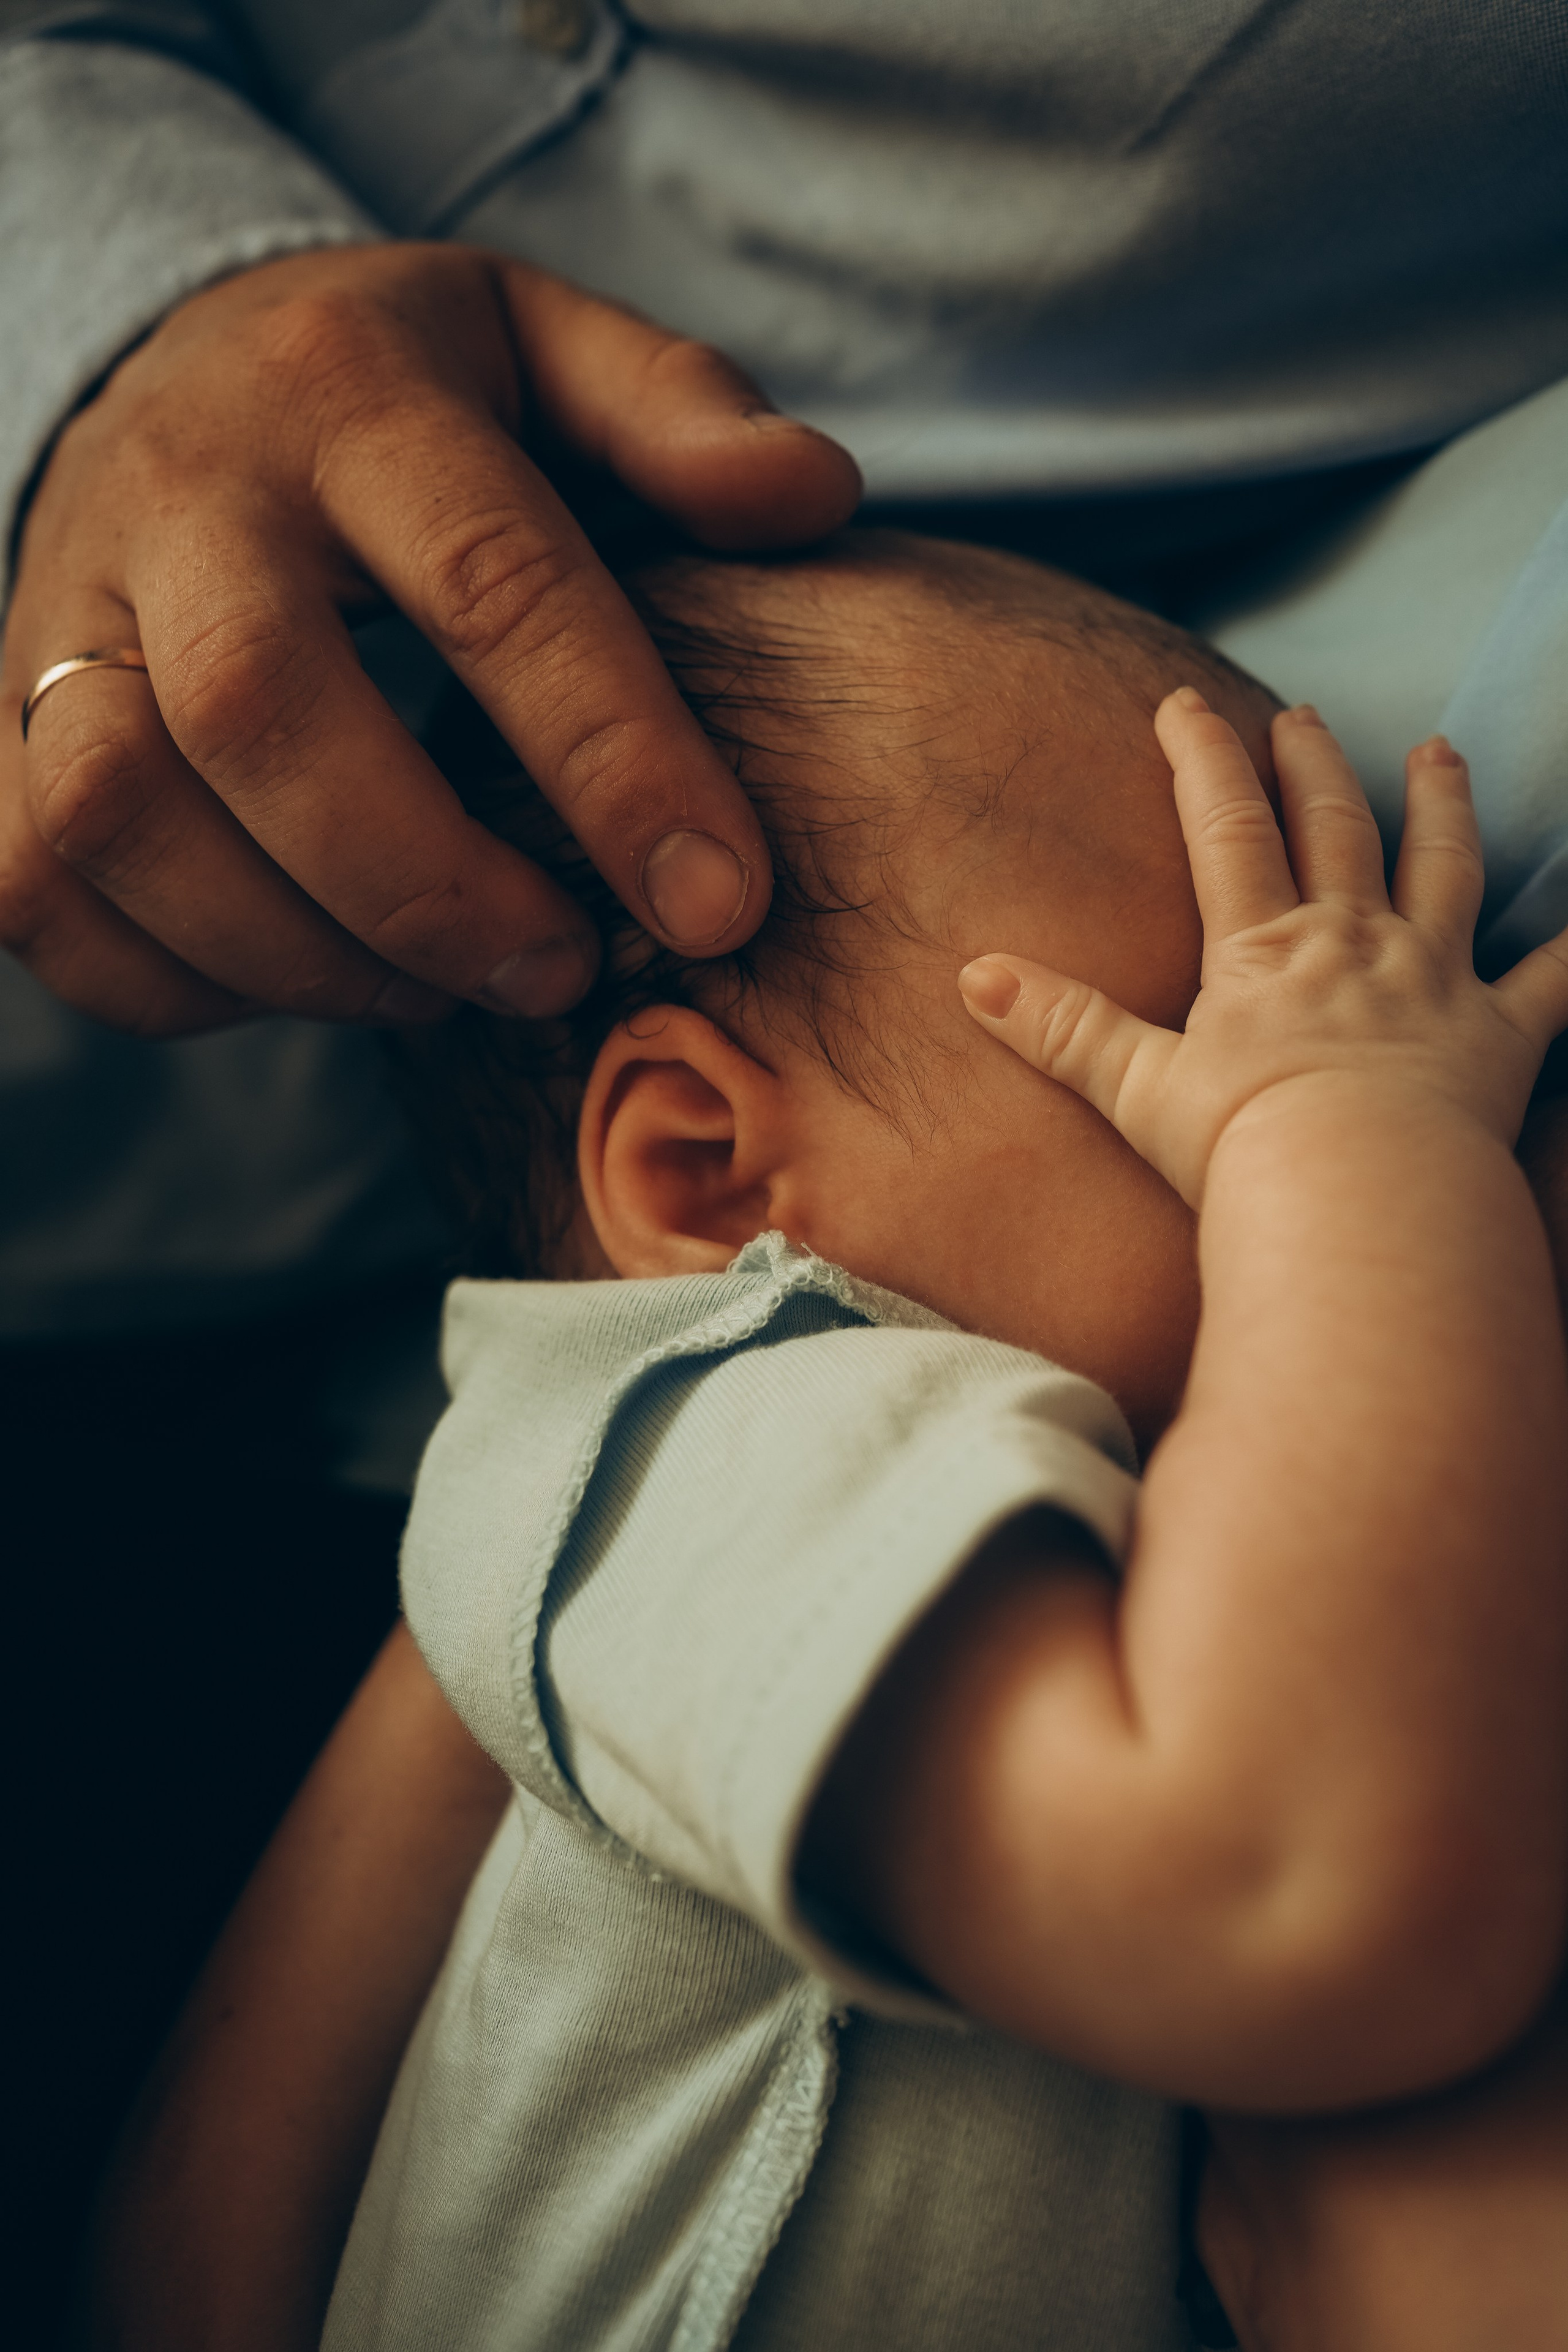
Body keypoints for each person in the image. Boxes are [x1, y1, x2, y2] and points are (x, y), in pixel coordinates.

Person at [92, 535, 1568, 2351]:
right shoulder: (738, 1411)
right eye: (1198, 1036)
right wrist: (1347, 1137)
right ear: (708, 1176)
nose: (1309, 1073)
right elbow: (1303, 1892)